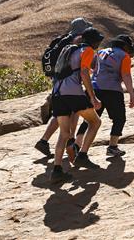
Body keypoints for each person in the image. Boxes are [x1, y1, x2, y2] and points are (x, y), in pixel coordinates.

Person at [49, 27, 104, 183]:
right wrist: (93, 97)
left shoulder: (70, 49)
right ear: (93, 41)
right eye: (98, 41)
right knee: (95, 121)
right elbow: (84, 73)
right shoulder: (86, 50)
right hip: (73, 92)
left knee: (64, 134)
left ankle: (57, 170)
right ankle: (83, 156)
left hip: (57, 94)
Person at [36, 17, 93, 158]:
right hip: (68, 80)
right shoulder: (78, 40)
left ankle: (44, 141)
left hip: (58, 80)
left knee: (60, 113)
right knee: (72, 111)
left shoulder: (63, 39)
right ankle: (70, 142)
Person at [75, 34, 134, 157]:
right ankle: (112, 147)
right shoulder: (124, 56)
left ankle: (76, 145)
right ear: (125, 46)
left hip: (94, 88)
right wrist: (131, 95)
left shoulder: (101, 52)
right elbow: (126, 75)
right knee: (119, 118)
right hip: (112, 90)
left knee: (90, 119)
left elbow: (92, 66)